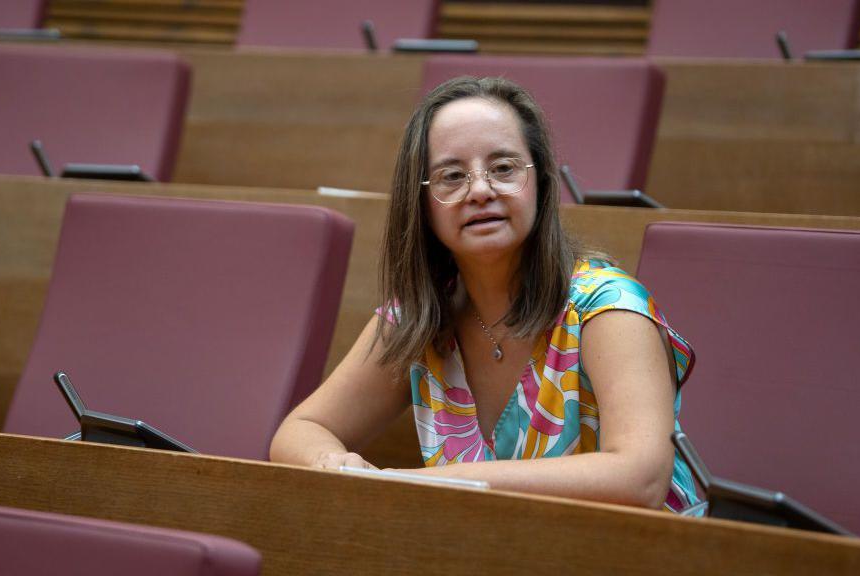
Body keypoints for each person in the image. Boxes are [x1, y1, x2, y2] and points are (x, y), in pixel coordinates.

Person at [270, 76, 699, 511]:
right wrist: (335, 465)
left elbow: (640, 478)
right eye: (451, 176)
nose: (479, 191)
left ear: (542, 183)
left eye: (504, 169)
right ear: (421, 205)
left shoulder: (609, 309)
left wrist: (422, 483)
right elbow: (300, 430)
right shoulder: (417, 318)